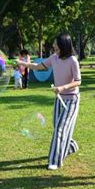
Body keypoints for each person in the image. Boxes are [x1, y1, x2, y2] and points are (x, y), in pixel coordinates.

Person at [17, 32, 81, 170]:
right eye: (54, 47)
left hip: (71, 100)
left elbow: (78, 81)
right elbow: (39, 66)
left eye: (56, 46)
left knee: (60, 129)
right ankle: (71, 146)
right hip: (59, 98)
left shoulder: (72, 61)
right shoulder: (54, 58)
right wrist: (23, 63)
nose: (54, 48)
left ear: (64, 46)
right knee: (57, 126)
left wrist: (63, 87)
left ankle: (55, 161)